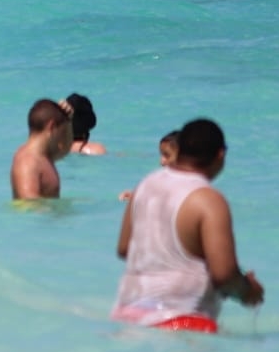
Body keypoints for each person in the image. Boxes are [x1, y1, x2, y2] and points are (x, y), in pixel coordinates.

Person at [112, 117, 264, 332]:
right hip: (181, 321)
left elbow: (124, 249)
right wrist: (249, 291)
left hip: (127, 315)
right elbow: (224, 275)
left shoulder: (145, 185)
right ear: (220, 155)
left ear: (179, 149)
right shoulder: (208, 200)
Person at [10, 98, 73, 200]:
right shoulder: (27, 161)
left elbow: (65, 149)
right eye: (63, 133)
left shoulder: (44, 157)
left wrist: (68, 120)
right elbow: (28, 205)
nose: (62, 140)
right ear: (52, 127)